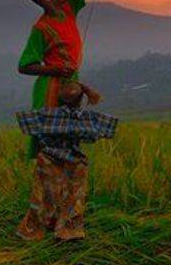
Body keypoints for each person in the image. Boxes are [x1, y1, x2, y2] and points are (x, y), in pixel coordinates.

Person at [16, 0, 115, 157]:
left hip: (70, 90)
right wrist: (55, 70)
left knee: (68, 143)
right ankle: (48, 193)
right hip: (50, 92)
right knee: (50, 146)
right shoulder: (41, 28)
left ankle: (65, 193)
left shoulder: (69, 9)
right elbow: (25, 66)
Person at [15, 80, 117, 240]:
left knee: (43, 197)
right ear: (80, 100)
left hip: (47, 161)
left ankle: (32, 231)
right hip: (75, 164)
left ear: (58, 98)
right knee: (73, 199)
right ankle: (69, 232)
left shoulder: (45, 115)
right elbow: (108, 128)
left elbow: (24, 123)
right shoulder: (88, 119)